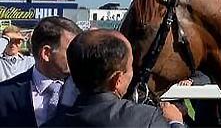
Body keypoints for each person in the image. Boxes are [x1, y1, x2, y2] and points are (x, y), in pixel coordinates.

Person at [43, 29, 184, 127]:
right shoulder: (147, 119)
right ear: (118, 79)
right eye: (130, 67)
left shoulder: (52, 124)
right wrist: (175, 122)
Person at [0, 16, 82, 127]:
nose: (77, 56)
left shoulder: (84, 92)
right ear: (46, 53)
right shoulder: (5, 95)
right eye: (71, 51)